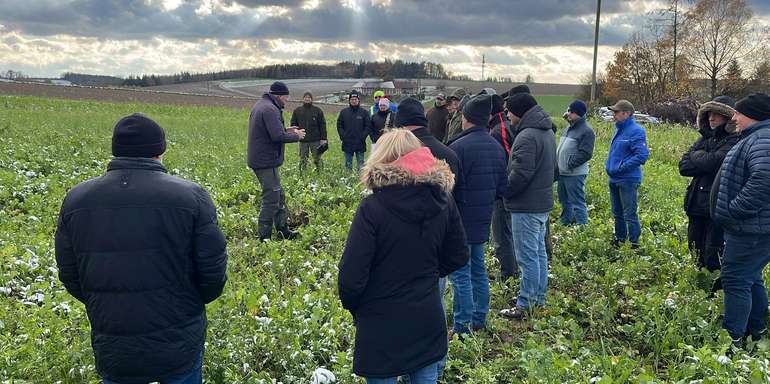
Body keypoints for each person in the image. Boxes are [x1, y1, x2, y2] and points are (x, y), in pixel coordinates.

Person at [55, 113, 228, 384]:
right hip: (178, 338)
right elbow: (212, 274)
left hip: (114, 340)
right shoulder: (191, 197)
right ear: (160, 151)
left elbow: (70, 273)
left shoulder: (76, 200)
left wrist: (105, 303)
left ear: (115, 150)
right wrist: (189, 305)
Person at [338, 129, 469, 383]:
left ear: (382, 160)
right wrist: (429, 274)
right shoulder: (443, 200)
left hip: (381, 321)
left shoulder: (372, 208)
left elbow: (351, 278)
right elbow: (458, 255)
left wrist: (359, 308)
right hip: (426, 315)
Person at [446, 94, 508, 334]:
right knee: (478, 270)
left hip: (460, 221)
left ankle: (462, 326)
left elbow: (449, 189)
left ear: (466, 118)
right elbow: (502, 188)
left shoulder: (457, 148)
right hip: (483, 219)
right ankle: (480, 319)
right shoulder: (496, 147)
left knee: (461, 275)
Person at [711, 92, 770, 345]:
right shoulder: (756, 137)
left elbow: (764, 180)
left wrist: (735, 209)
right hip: (752, 227)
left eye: (738, 112)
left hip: (750, 229)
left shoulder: (763, 140)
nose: (734, 116)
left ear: (753, 115)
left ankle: (733, 339)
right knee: (750, 277)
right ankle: (756, 330)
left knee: (735, 279)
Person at [499, 93, 557, 320]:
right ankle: (537, 297)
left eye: (509, 111)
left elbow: (520, 174)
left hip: (526, 205)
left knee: (527, 256)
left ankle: (525, 303)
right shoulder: (547, 132)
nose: (507, 115)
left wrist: (504, 192)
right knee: (539, 252)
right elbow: (553, 170)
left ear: (520, 112)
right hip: (541, 202)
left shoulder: (526, 136)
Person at [679, 96, 738, 271]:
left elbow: (715, 162)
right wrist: (703, 160)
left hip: (716, 204)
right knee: (695, 247)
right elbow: (683, 166)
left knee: (714, 250)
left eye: (717, 114)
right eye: (709, 114)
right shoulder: (704, 138)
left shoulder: (734, 139)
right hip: (696, 202)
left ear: (727, 118)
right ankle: (700, 283)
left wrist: (696, 156)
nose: (711, 118)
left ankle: (714, 289)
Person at [248, 81, 306, 241]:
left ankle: (282, 229)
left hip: (264, 159)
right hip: (265, 161)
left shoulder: (263, 105)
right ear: (279, 96)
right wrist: (296, 136)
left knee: (279, 196)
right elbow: (277, 136)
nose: (286, 101)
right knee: (271, 198)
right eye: (286, 97)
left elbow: (271, 131)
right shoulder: (269, 109)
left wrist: (287, 130)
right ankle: (264, 238)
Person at [605, 99, 649, 248]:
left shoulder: (636, 131)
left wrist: (621, 167)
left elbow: (641, 156)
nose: (614, 115)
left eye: (616, 112)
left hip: (628, 179)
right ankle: (620, 239)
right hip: (614, 178)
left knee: (629, 213)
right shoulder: (619, 130)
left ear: (627, 113)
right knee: (617, 212)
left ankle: (634, 244)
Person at [488, 94, 517, 280]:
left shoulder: (500, 130)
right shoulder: (499, 127)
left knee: (502, 234)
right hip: (502, 191)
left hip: (502, 193)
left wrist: (502, 187)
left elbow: (509, 161)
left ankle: (509, 274)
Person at [557, 100, 596, 225]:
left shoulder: (586, 131)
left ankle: (582, 228)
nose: (568, 114)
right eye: (568, 111)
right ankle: (565, 223)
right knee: (564, 202)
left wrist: (569, 164)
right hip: (562, 172)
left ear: (578, 114)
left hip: (574, 173)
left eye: (571, 112)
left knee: (577, 203)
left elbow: (586, 153)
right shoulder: (569, 128)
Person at [291, 90, 327, 173]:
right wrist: (296, 134)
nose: (307, 99)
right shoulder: (297, 111)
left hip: (315, 140)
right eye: (306, 97)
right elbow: (293, 124)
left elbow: (322, 125)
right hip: (303, 140)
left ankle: (320, 172)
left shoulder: (317, 110)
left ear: (312, 99)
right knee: (303, 158)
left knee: (317, 157)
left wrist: (323, 138)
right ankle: (302, 173)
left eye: (309, 97)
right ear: (303, 99)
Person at [338, 90, 371, 170]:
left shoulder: (364, 112)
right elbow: (339, 125)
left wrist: (362, 137)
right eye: (352, 99)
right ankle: (348, 180)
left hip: (360, 143)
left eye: (355, 99)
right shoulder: (344, 112)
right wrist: (343, 136)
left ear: (358, 100)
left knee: (361, 164)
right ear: (349, 100)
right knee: (348, 164)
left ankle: (361, 180)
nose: (354, 101)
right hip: (347, 143)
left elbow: (368, 126)